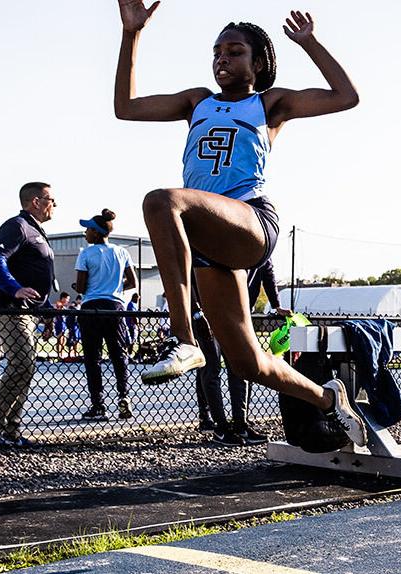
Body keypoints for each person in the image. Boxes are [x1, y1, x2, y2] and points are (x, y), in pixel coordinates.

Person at [114, 3, 367, 445]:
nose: (222, 59)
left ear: (258, 62)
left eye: (234, 51)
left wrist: (309, 42)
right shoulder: (197, 101)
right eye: (217, 52)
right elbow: (126, 108)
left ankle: (183, 338)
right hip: (210, 240)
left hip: (250, 222)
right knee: (249, 363)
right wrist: (131, 34)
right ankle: (329, 401)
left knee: (161, 201)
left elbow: (346, 97)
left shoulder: (269, 103)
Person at [0, 181, 56, 447]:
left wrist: (46, 311)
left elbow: (34, 272)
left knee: (27, 368)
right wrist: (14, 288)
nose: (54, 205)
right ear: (36, 201)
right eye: (51, 200)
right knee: (21, 364)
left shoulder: (37, 231)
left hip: (30, 313)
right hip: (13, 311)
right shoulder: (17, 226)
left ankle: (10, 431)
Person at [196, 258, 288, 446]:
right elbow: (192, 271)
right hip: (210, 311)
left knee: (241, 368)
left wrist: (276, 304)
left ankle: (240, 425)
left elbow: (267, 271)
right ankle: (220, 428)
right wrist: (198, 311)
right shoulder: (218, 239)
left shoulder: (260, 244)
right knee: (211, 368)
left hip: (240, 313)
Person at [74, 209, 138, 421]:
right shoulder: (121, 252)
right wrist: (116, 287)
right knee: (118, 355)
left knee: (93, 358)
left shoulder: (86, 253)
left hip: (91, 306)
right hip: (115, 307)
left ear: (96, 232)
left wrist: (79, 285)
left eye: (88, 230)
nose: (85, 233)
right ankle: (124, 397)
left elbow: (82, 287)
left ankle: (98, 404)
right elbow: (133, 282)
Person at [53, 292, 71, 358]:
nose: (68, 301)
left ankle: (61, 353)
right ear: (63, 298)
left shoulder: (64, 306)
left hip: (64, 324)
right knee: (60, 340)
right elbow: (59, 309)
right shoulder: (59, 304)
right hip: (59, 324)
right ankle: (59, 354)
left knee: (64, 340)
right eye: (67, 299)